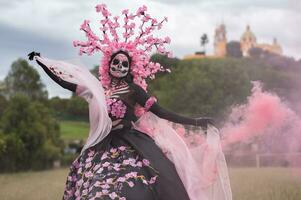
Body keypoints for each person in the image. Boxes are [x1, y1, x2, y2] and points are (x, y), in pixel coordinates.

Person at [28, 4, 232, 200]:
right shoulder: (100, 91)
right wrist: (42, 63)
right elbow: (67, 84)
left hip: (131, 141)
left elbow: (161, 112)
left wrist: (195, 122)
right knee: (85, 179)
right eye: (116, 62)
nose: (119, 66)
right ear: (108, 65)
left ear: (129, 68)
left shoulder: (134, 90)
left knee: (162, 178)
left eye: (124, 64)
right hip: (104, 144)